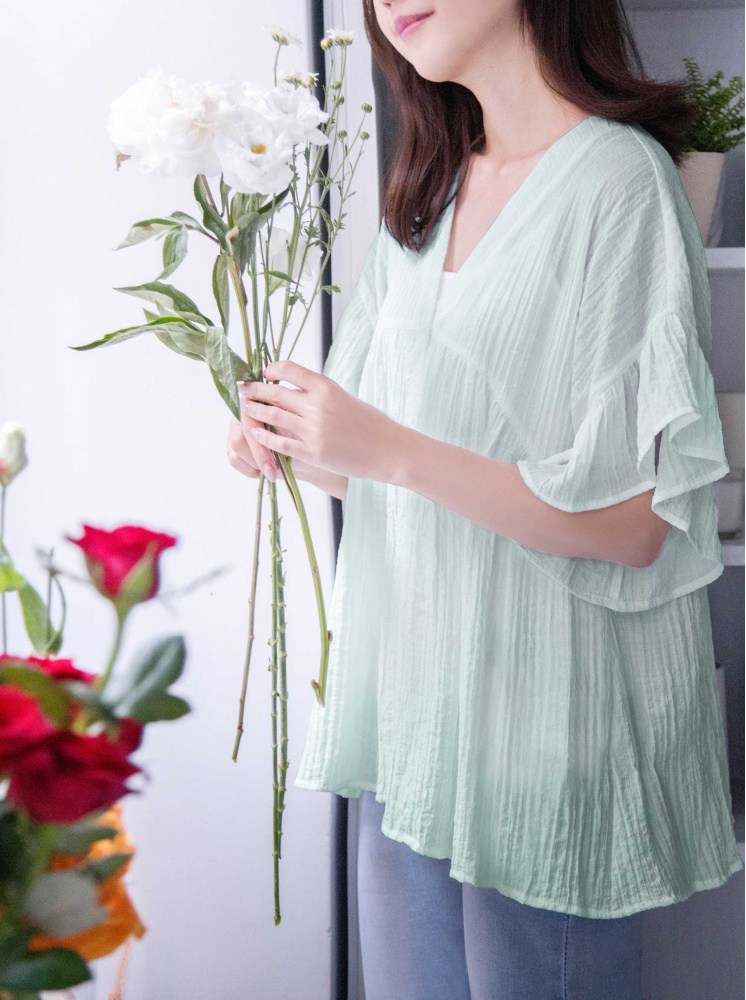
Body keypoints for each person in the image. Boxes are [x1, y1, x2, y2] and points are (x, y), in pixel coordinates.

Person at [226, 0, 744, 995]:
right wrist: (293, 447)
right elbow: (385, 472)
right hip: (408, 731)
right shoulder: (429, 187)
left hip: (540, 738)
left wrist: (384, 448)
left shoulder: (619, 181)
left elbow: (638, 524)